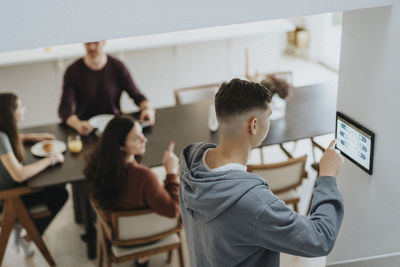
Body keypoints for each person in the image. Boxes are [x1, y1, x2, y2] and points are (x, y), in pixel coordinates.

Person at [179, 78, 344, 267]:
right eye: (269, 115)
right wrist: (327, 177)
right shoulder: (255, 204)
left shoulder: (189, 159)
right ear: (254, 125)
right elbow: (320, 239)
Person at [85, 115, 180, 267]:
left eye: (142, 134)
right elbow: (173, 210)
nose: (145, 140)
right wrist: (172, 173)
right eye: (136, 138)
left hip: (117, 235)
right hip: (146, 235)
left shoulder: (96, 166)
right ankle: (143, 257)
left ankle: (142, 258)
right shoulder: (144, 177)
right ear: (121, 146)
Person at [0, 93, 68, 257]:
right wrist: (50, 160)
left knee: (58, 184)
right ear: (10, 113)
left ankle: (25, 229)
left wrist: (31, 137)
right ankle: (28, 237)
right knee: (60, 194)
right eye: (20, 107)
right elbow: (18, 175)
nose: (24, 109)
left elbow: (8, 142)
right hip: (7, 198)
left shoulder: (3, 133)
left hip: (9, 190)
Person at [58, 41, 155, 136]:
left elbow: (137, 96)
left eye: (96, 43)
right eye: (88, 43)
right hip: (86, 130)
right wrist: (77, 125)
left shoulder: (118, 67)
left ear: (104, 42)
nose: (91, 47)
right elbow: (64, 110)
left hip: (115, 128)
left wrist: (148, 109)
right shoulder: (72, 71)